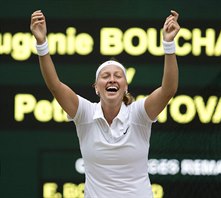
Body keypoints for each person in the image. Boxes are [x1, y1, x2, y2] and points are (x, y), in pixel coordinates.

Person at [30, 9, 180, 198]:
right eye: (105, 76)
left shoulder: (140, 114)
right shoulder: (84, 113)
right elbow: (55, 86)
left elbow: (169, 90)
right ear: (96, 88)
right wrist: (42, 43)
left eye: (118, 76)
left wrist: (168, 44)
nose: (111, 79)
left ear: (125, 87)